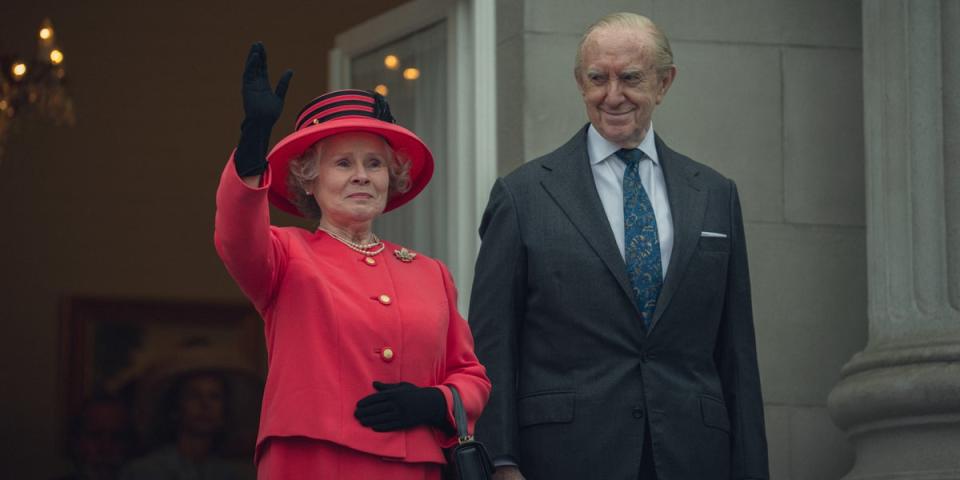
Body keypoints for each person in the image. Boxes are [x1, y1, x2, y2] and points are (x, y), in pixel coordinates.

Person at [469, 13, 768, 480]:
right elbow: (492, 342)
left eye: (630, 78)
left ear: (664, 83)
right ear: (579, 82)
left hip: (693, 454)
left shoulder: (714, 193)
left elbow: (737, 352)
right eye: (597, 79)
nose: (612, 95)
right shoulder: (523, 195)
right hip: (564, 455)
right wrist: (499, 461)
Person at [214, 42, 490, 479]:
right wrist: (253, 142)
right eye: (343, 163)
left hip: (413, 468)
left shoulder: (430, 274)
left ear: (390, 178)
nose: (362, 175)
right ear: (310, 179)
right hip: (312, 463)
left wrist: (436, 402)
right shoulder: (285, 256)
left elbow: (470, 376)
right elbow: (235, 236)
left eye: (375, 163)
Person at [121, 371, 245, 480]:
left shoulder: (228, 475)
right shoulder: (144, 472)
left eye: (214, 397)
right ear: (175, 407)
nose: (205, 404)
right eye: (194, 395)